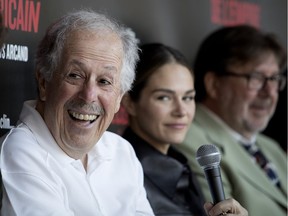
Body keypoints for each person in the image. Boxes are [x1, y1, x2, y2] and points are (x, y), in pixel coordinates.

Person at [0, 9, 154, 215]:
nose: (89, 95)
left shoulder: (121, 151)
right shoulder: (18, 151)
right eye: (75, 75)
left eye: (104, 81)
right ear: (44, 82)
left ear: (119, 98)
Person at [121, 43, 248, 216]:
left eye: (188, 97)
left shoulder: (181, 163)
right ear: (129, 102)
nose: (181, 111)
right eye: (164, 97)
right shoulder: (122, 173)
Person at [175, 25, 287, 216]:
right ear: (214, 84)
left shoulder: (271, 148)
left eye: (274, 79)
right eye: (256, 78)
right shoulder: (190, 140)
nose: (269, 92)